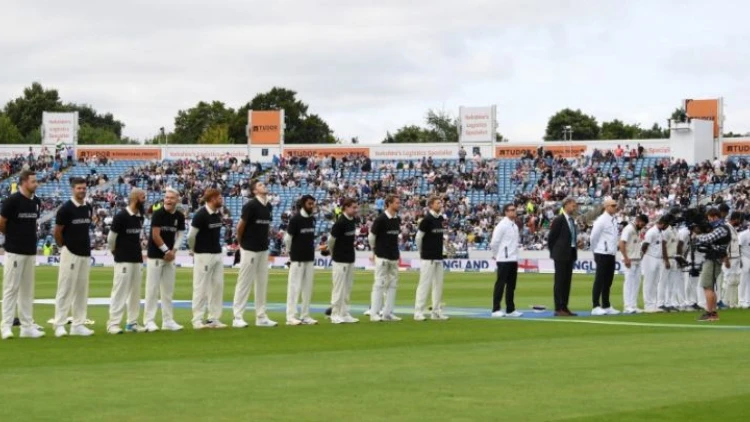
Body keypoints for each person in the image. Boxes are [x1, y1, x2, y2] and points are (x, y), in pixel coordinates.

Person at [0, 170, 43, 340]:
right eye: (33, 181)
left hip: (30, 251)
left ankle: (27, 326)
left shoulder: (36, 202)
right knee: (11, 289)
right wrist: (12, 237)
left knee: (27, 290)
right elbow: (2, 223)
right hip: (14, 251)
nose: (36, 184)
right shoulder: (12, 201)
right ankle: (6, 326)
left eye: (36, 181)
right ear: (24, 182)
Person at [52, 177, 94, 337]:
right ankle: (59, 324)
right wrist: (66, 246)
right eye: (79, 188)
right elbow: (57, 232)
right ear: (72, 189)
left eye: (84, 188)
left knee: (81, 290)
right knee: (65, 289)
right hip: (70, 253)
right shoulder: (66, 209)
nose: (82, 191)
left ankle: (78, 324)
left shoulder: (88, 207)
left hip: (85, 253)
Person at [233, 181, 277, 327]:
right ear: (254, 191)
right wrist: (242, 244)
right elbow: (240, 227)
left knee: (262, 283)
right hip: (249, 248)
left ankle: (261, 316)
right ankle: (237, 317)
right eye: (259, 185)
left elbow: (266, 226)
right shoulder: (250, 205)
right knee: (244, 282)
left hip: (263, 248)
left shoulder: (268, 206)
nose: (264, 185)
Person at [144, 188, 185, 332]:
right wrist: (166, 251)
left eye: (171, 198)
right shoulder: (158, 214)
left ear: (177, 200)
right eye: (166, 197)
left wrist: (174, 251)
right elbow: (155, 235)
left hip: (170, 257)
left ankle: (168, 320)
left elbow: (180, 235)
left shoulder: (179, 216)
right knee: (152, 289)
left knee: (168, 290)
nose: (168, 200)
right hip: (156, 255)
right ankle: (149, 321)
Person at [107, 189, 146, 334]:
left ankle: (132, 323)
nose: (145, 200)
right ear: (135, 198)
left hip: (137, 258)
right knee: (120, 291)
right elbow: (111, 239)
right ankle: (113, 323)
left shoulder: (139, 216)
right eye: (143, 197)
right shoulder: (121, 216)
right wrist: (114, 251)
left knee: (135, 292)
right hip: (123, 259)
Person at [188, 188, 227, 329]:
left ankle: (213, 318)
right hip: (203, 255)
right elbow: (190, 236)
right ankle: (197, 319)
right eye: (219, 197)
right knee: (200, 287)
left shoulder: (217, 214)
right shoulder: (200, 215)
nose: (221, 199)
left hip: (217, 253)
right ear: (211, 199)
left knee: (217, 286)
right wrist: (194, 249)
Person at [692, 208, 732, 321]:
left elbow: (707, 238)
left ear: (714, 216)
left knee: (707, 286)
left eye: (709, 218)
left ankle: (709, 313)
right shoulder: (721, 227)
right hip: (715, 258)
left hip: (713, 259)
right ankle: (713, 313)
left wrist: (697, 236)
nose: (709, 220)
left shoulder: (721, 228)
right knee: (710, 287)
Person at [284, 195, 318, 326]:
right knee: (294, 287)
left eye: (313, 204)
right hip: (297, 258)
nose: (312, 206)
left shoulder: (312, 219)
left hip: (309, 257)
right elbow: (288, 239)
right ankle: (291, 316)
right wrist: (290, 253)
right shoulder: (295, 219)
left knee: (307, 288)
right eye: (310, 204)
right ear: (303, 204)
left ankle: (305, 315)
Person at [414, 196, 449, 321]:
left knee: (438, 285)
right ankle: (418, 312)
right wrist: (422, 252)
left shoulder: (440, 218)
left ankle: (436, 311)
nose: (440, 204)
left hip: (438, 256)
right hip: (428, 257)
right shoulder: (426, 220)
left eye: (441, 203)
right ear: (431, 205)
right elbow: (418, 238)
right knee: (424, 284)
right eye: (438, 203)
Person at [369, 194, 402, 322]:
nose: (398, 205)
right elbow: (371, 237)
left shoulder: (396, 219)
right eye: (396, 203)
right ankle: (374, 313)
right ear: (389, 204)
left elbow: (394, 239)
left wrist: (398, 254)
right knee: (379, 284)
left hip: (393, 256)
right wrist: (374, 251)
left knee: (392, 284)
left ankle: (388, 312)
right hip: (382, 256)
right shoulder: (381, 219)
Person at [328, 198, 359, 324]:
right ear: (346, 207)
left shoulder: (353, 221)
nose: (355, 210)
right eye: (353, 207)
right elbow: (331, 240)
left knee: (347, 288)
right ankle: (334, 314)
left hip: (350, 258)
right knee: (338, 288)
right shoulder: (340, 222)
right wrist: (333, 253)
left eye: (356, 207)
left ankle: (344, 313)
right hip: (340, 259)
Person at [489, 203, 523, 318]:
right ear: (506, 212)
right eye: (511, 210)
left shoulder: (515, 226)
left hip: (513, 259)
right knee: (500, 284)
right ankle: (495, 309)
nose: (514, 212)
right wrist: (496, 255)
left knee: (511, 286)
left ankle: (510, 309)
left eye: (515, 209)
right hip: (504, 259)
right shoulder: (502, 225)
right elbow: (494, 242)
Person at [547, 198, 579, 316]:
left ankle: (564, 306)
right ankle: (558, 307)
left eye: (575, 206)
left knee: (567, 281)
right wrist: (554, 251)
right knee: (560, 281)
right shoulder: (559, 220)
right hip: (560, 254)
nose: (574, 208)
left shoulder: (572, 220)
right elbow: (551, 238)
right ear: (565, 205)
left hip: (570, 253)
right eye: (572, 205)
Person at [589, 199, 620, 316]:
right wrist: (595, 250)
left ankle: (606, 305)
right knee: (599, 280)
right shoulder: (601, 220)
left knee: (608, 280)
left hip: (611, 253)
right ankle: (595, 306)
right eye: (613, 205)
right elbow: (593, 237)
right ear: (606, 207)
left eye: (615, 205)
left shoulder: (613, 220)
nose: (615, 207)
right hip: (602, 253)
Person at [619, 214, 648, 314]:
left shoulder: (637, 230)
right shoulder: (628, 229)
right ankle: (627, 306)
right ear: (638, 220)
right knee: (629, 282)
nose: (642, 226)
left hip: (637, 260)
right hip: (629, 260)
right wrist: (626, 258)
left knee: (636, 283)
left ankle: (633, 305)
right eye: (642, 224)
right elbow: (621, 243)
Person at [641, 217, 669, 313]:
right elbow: (644, 246)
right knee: (649, 282)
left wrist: (665, 260)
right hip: (650, 257)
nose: (667, 227)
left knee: (655, 282)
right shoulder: (651, 232)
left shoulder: (661, 232)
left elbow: (663, 247)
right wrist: (642, 258)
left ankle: (653, 304)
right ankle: (648, 305)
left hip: (658, 258)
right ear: (662, 223)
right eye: (666, 225)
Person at [677, 222, 703, 311]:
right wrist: (680, 260)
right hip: (678, 258)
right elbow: (679, 246)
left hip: (685, 258)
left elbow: (688, 249)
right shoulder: (684, 233)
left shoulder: (693, 235)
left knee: (691, 282)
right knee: (686, 282)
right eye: (698, 227)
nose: (699, 229)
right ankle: (687, 302)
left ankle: (692, 301)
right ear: (693, 227)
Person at [658, 218, 682, 312]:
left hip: (674, 258)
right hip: (667, 259)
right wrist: (666, 260)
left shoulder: (674, 231)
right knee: (663, 282)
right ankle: (660, 303)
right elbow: (663, 246)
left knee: (671, 283)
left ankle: (669, 303)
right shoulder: (665, 232)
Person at [721, 212, 742, 308]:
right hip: (729, 258)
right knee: (727, 279)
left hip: (736, 257)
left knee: (735, 280)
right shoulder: (726, 228)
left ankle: (732, 302)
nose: (740, 222)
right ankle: (724, 302)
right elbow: (723, 245)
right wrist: (725, 259)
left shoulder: (733, 229)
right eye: (739, 219)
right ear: (735, 219)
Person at [738, 219, 750, 309]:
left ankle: (748, 300)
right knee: (743, 279)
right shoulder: (744, 234)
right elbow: (738, 246)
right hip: (745, 257)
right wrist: (740, 260)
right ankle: (741, 300)